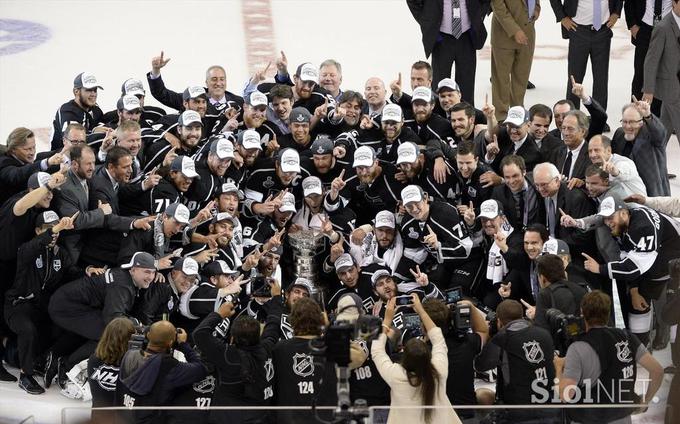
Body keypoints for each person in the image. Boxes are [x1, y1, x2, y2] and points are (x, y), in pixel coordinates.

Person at [582, 196, 680, 345]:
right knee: (637, 301)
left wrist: (599, 269)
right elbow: (627, 258)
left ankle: (669, 349)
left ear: (623, 213)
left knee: (670, 312)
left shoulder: (643, 227)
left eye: (610, 218)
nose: (608, 223)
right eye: (605, 219)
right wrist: (634, 290)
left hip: (673, 263)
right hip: (659, 260)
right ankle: (640, 346)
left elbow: (633, 268)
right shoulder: (624, 224)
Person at [554, 290, 664, 423]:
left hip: (588, 418)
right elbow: (657, 371)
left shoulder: (577, 348)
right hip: (622, 417)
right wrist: (645, 402)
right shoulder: (627, 338)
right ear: (608, 313)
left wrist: (558, 368)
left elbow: (565, 395)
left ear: (582, 313)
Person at [4, 211, 76, 394]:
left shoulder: (60, 253)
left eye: (57, 229)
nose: (54, 233)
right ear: (38, 231)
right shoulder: (26, 250)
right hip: (17, 306)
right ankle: (25, 376)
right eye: (48, 229)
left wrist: (90, 270)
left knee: (61, 327)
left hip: (41, 307)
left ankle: (36, 361)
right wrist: (57, 228)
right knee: (28, 330)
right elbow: (36, 244)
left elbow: (72, 271)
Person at [193, 283, 282, 423]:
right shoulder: (267, 348)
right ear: (259, 336)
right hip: (260, 418)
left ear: (232, 338)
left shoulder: (228, 355)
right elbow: (274, 323)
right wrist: (277, 297)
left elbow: (199, 334)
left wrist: (219, 314)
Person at [372, 293, 461, 424]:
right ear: (429, 357)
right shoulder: (438, 370)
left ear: (404, 358)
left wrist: (387, 320)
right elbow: (438, 338)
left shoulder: (395, 374)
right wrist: (421, 310)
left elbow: (377, 351)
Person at [474, 299, 559, 423]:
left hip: (516, 412)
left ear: (499, 321)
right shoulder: (544, 333)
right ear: (522, 316)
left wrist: (489, 336)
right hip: (550, 406)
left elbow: (480, 365)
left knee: (482, 396)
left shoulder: (502, 339)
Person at [115, 320, 207, 424]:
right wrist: (183, 345)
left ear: (148, 335)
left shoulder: (129, 355)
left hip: (122, 418)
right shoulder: (168, 366)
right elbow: (201, 368)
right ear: (171, 342)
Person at [406, 0, 491, 104]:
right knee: (440, 85)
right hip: (441, 38)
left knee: (466, 84)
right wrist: (427, 20)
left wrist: (478, 15)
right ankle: (439, 117)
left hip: (467, 35)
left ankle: (465, 117)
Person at [422, 298, 489, 422]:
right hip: (467, 416)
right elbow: (483, 330)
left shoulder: (421, 353)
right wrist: (470, 306)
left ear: (424, 325)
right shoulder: (467, 343)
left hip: (437, 418)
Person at [550, 0, 622, 112]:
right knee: (575, 78)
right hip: (578, 30)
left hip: (603, 30)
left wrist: (616, 13)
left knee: (601, 79)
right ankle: (573, 116)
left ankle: (599, 118)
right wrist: (562, 17)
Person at [489, 0, 539, 120]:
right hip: (504, 35)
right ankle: (501, 116)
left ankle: (517, 113)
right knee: (501, 79)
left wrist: (536, 10)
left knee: (521, 78)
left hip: (527, 35)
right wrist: (515, 30)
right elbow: (498, 7)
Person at [611, 99, 670, 196]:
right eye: (624, 122)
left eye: (632, 122)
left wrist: (648, 115)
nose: (628, 126)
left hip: (651, 193)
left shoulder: (651, 135)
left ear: (641, 122)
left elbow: (661, 133)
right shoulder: (619, 134)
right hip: (627, 191)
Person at [624, 0, 672, 117]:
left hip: (669, 28)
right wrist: (633, 26)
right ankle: (636, 115)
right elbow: (629, 4)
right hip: (644, 29)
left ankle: (660, 117)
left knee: (666, 73)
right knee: (641, 73)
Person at [642, 0, 680, 143]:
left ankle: (652, 160)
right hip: (671, 88)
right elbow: (651, 61)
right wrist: (648, 90)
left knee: (662, 134)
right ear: (674, 3)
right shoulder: (662, 28)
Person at [87, 317, 136, 424]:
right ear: (130, 339)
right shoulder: (133, 364)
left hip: (99, 417)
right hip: (123, 419)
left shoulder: (93, 360)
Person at [0, 127, 63, 205]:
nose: (32, 152)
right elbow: (18, 174)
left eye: (34, 147)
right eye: (27, 149)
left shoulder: (24, 160)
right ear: (13, 149)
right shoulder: (4, 162)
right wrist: (47, 162)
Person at [531, 253, 589, 330]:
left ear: (542, 277)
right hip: (583, 338)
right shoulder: (580, 289)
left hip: (559, 340)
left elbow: (541, 329)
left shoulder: (545, 295)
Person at [50, 72, 104, 150]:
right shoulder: (67, 111)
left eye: (95, 90)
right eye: (89, 90)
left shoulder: (95, 110)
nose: (93, 94)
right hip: (62, 157)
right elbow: (75, 140)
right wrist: (94, 131)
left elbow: (105, 120)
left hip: (84, 156)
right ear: (76, 92)